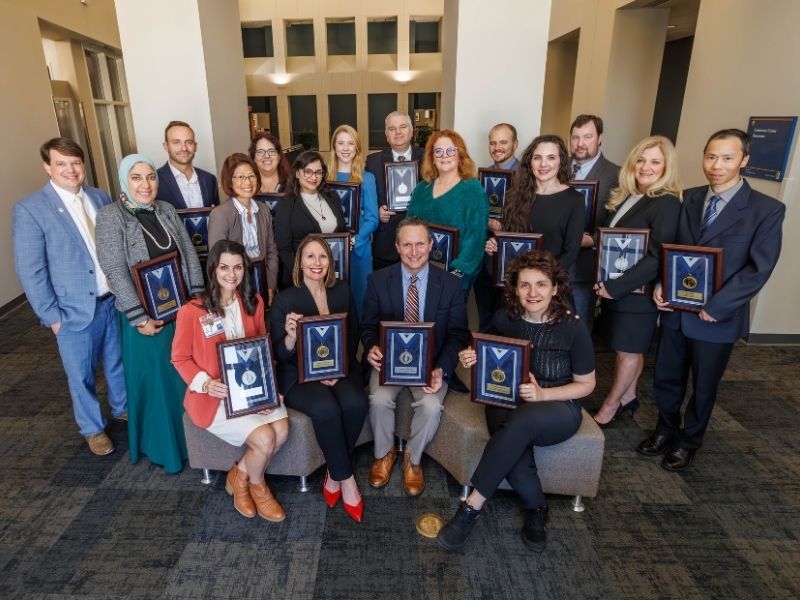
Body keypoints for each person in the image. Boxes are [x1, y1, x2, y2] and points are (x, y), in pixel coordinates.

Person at [638, 129, 785, 471]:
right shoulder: (686, 198)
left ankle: (689, 442)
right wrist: (662, 283)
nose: (717, 165)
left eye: (727, 158)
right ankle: (665, 429)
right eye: (711, 157)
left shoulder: (766, 210)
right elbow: (669, 250)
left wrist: (716, 306)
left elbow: (758, 269)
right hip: (676, 309)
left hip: (717, 317)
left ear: (744, 161)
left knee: (703, 386)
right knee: (667, 377)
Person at [437, 251, 595, 553]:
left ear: (555, 288)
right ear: (515, 289)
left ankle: (471, 508)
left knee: (520, 422)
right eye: (524, 285)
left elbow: (587, 384)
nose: (533, 293)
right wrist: (472, 355)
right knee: (514, 441)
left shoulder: (573, 328)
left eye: (541, 284)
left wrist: (543, 395)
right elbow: (488, 351)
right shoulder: (505, 318)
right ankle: (537, 508)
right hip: (505, 398)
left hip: (557, 408)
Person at [12, 137, 127, 456]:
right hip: (71, 310)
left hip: (111, 301)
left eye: (75, 162)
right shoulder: (31, 209)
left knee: (117, 361)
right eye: (61, 163)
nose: (70, 170)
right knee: (82, 374)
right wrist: (52, 317)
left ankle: (121, 407)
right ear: (47, 167)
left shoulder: (99, 197)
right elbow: (30, 270)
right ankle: (93, 428)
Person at [96, 153, 205, 473]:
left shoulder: (166, 210)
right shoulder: (110, 216)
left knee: (180, 377)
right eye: (136, 178)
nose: (145, 184)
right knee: (157, 382)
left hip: (179, 311)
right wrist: (138, 316)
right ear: (123, 182)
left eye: (150, 177)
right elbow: (114, 269)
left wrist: (197, 298)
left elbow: (188, 253)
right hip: (144, 319)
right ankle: (165, 448)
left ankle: (192, 443)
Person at [172, 240, 288, 521]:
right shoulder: (192, 311)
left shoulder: (254, 302)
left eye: (237, 268)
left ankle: (240, 475)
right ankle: (258, 486)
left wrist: (269, 392)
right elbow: (179, 358)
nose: (231, 274)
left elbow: (263, 349)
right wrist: (205, 382)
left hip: (252, 390)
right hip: (215, 397)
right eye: (224, 267)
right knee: (264, 438)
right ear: (213, 269)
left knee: (282, 431)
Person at [360, 217, 469, 496]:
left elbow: (458, 334)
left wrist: (441, 370)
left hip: (431, 363)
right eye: (406, 244)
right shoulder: (378, 280)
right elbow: (368, 326)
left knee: (432, 407)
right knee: (379, 399)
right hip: (389, 363)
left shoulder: (451, 285)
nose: (414, 251)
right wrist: (372, 347)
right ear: (397, 246)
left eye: (420, 243)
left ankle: (413, 458)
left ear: (431, 245)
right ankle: (383, 454)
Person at [270, 235, 368, 521]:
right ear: (300, 262)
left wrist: (338, 369)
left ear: (331, 262)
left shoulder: (341, 290)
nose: (317, 263)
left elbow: (353, 334)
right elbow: (279, 352)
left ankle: (334, 471)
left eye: (323, 257)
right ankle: (345, 477)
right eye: (310, 256)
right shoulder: (286, 299)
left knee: (356, 402)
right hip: (298, 374)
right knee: (326, 409)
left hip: (340, 368)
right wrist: (289, 337)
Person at [592, 136, 681, 426]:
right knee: (629, 349)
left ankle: (610, 406)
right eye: (641, 160)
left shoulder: (665, 203)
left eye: (655, 161)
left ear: (666, 167)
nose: (646, 167)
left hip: (636, 295)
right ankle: (629, 396)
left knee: (627, 353)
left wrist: (614, 287)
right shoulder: (628, 196)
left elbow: (657, 256)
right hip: (618, 289)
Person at [486, 135, 585, 280]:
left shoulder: (574, 200)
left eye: (551, 157)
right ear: (530, 162)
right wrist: (496, 245)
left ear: (561, 161)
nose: (543, 164)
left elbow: (571, 253)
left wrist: (540, 278)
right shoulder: (515, 195)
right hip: (516, 282)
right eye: (537, 157)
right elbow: (510, 237)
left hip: (550, 283)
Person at [407, 129, 489, 295]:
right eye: (438, 151)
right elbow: (408, 228)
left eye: (451, 150)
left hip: (454, 278)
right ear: (432, 157)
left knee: (449, 320)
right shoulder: (422, 188)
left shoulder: (473, 189)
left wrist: (455, 275)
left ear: (460, 155)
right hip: (420, 272)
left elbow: (475, 240)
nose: (444, 155)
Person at [568, 115, 621, 327]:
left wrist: (596, 239)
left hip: (584, 266)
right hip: (551, 263)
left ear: (600, 138)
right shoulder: (555, 167)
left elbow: (620, 219)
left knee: (579, 329)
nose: (580, 143)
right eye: (575, 137)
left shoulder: (616, 174)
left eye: (587, 137)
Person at [208, 153, 279, 305]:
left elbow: (271, 250)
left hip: (263, 281)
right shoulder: (220, 214)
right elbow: (218, 261)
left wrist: (270, 285)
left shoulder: (263, 209)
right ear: (229, 181)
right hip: (233, 285)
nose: (247, 182)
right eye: (240, 177)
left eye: (251, 176)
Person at [274, 151, 347, 289]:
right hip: (300, 281)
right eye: (308, 171)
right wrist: (304, 276)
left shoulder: (331, 197)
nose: (313, 177)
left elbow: (341, 232)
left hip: (332, 275)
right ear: (297, 173)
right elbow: (284, 249)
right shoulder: (287, 204)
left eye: (318, 172)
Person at [327, 124, 379, 317]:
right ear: (334, 147)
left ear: (357, 147)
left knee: (360, 302)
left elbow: (373, 218)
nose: (346, 148)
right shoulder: (325, 179)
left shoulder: (367, 178)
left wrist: (355, 239)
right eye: (341, 143)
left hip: (358, 250)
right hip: (331, 251)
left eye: (350, 143)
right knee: (334, 300)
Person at [476, 123, 521, 331]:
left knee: (509, 316)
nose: (497, 147)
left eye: (503, 142)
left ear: (515, 144)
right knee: (485, 313)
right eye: (493, 142)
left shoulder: (529, 177)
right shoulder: (482, 177)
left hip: (514, 258)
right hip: (485, 258)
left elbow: (535, 220)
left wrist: (504, 227)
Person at [366, 111, 425, 270]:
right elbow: (364, 200)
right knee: (385, 291)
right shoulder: (372, 162)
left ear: (411, 131)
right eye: (392, 129)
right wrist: (376, 210)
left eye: (403, 127)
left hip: (420, 244)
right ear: (386, 135)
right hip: (385, 243)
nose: (398, 132)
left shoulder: (428, 159)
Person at [156, 120, 220, 209]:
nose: (184, 148)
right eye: (176, 142)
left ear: (195, 146)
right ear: (166, 146)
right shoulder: (154, 180)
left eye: (189, 142)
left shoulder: (209, 179)